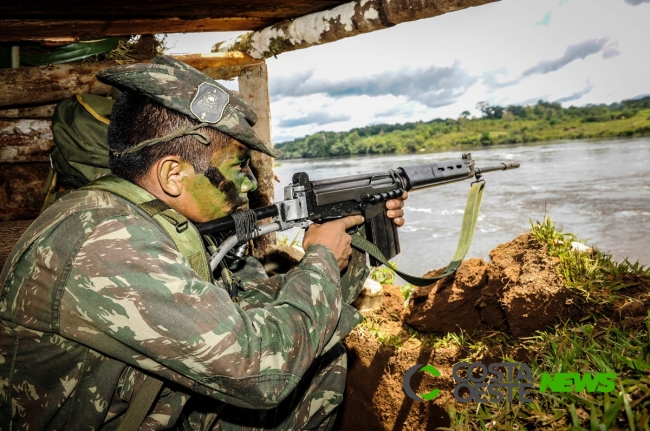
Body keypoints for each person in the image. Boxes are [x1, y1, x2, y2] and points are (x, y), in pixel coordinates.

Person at [0, 56, 406, 431]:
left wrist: (350, 242)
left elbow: (250, 308)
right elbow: (261, 372)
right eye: (239, 166)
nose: (249, 183)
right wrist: (318, 258)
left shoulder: (152, 218)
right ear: (172, 175)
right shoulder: (108, 240)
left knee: (320, 361)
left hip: (138, 403)